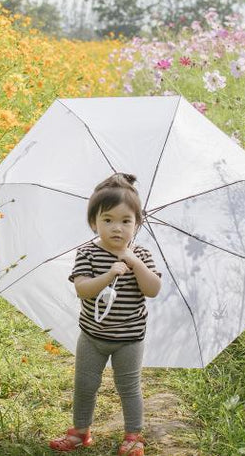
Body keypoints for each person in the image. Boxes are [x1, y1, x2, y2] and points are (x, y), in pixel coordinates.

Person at [49, 173, 162, 456]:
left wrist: (135, 264)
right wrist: (109, 273)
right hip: (92, 337)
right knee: (85, 384)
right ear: (93, 222)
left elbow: (153, 289)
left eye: (126, 221)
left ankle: (134, 436)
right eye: (108, 220)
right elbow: (83, 290)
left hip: (129, 339)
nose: (117, 228)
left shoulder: (142, 255)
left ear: (138, 224)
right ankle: (80, 431)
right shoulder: (87, 253)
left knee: (129, 387)